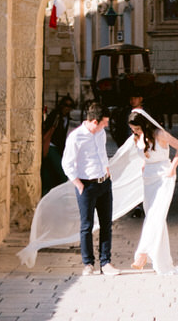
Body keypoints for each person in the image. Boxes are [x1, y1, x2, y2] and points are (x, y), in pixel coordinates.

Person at [61, 102, 118, 277]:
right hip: (86, 185)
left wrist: (107, 171)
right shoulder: (75, 137)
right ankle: (88, 263)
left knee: (106, 224)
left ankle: (106, 262)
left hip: (104, 183)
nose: (106, 126)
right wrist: (78, 184)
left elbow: (101, 153)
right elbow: (67, 163)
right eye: (104, 122)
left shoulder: (100, 134)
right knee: (87, 225)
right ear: (94, 121)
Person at [127, 108, 178, 275]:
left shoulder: (160, 134)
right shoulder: (137, 137)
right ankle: (162, 262)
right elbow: (143, 156)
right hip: (149, 179)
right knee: (155, 218)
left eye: (137, 129)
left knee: (155, 215)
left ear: (144, 124)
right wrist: (145, 164)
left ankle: (142, 254)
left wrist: (173, 167)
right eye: (132, 129)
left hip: (164, 176)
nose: (134, 132)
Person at [41, 95, 74, 195]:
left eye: (70, 106)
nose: (67, 108)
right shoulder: (56, 116)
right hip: (50, 147)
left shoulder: (66, 118)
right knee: (62, 175)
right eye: (65, 105)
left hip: (57, 148)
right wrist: (45, 146)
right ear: (61, 105)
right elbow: (49, 131)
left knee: (48, 174)